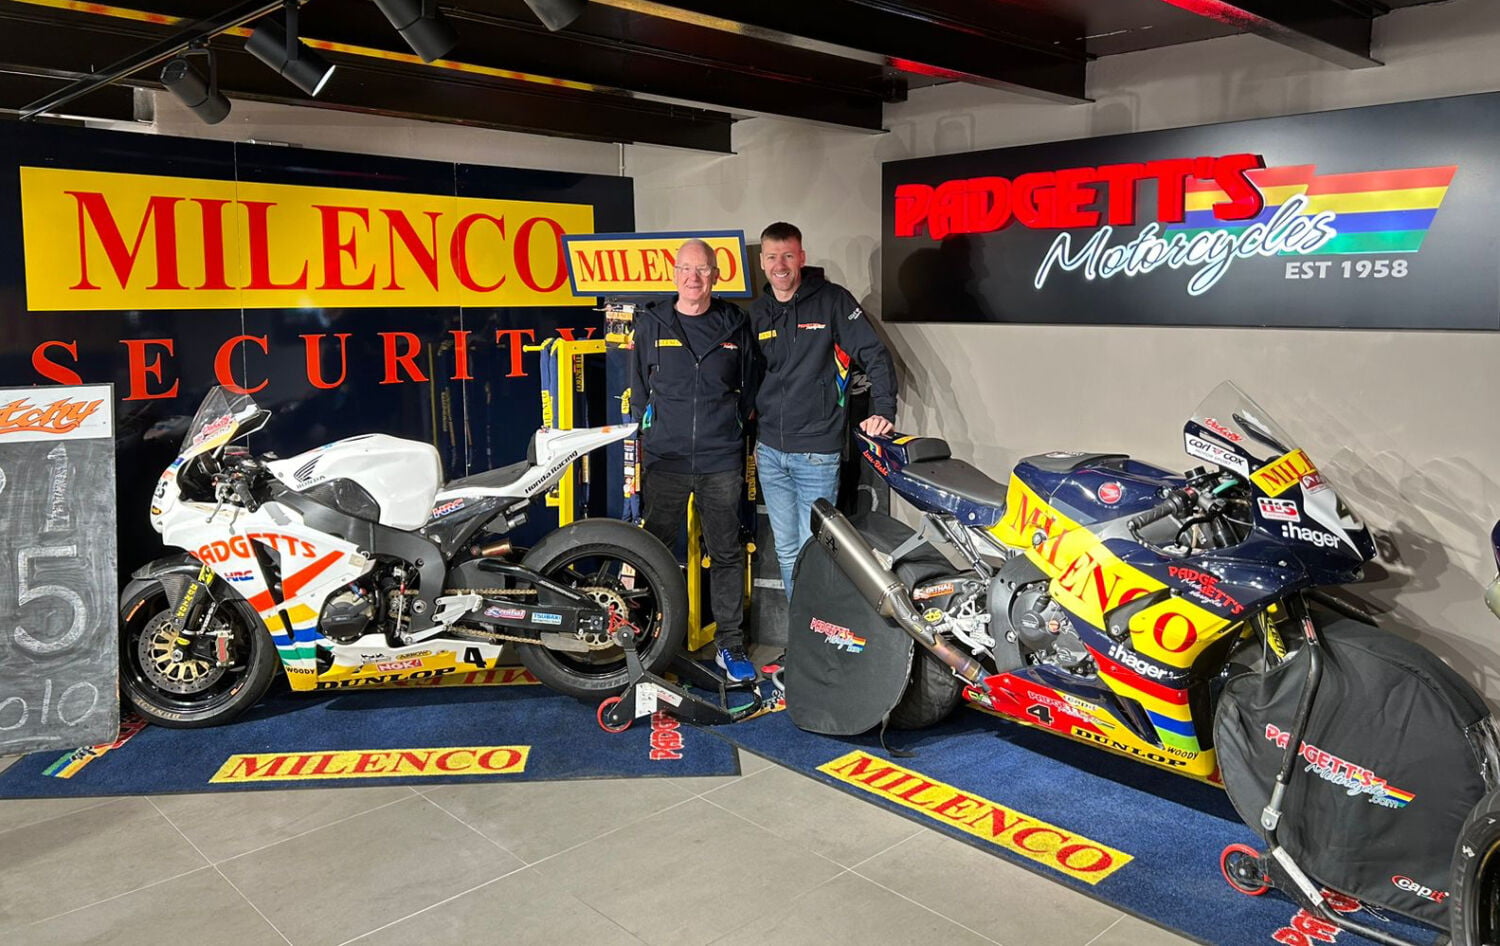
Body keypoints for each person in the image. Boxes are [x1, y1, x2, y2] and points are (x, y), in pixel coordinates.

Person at [628, 239, 758, 682]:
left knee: (725, 553)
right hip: (666, 457)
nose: (693, 278)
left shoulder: (735, 324)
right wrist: (654, 431)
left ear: (716, 275)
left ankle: (730, 645)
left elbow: (749, 389)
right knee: (657, 553)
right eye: (686, 269)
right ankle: (650, 638)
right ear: (674, 273)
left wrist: (731, 427)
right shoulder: (651, 323)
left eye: (702, 270)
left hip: (721, 458)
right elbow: (638, 387)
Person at [751, 222, 897, 600]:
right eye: (772, 257)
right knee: (785, 551)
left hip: (816, 453)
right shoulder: (759, 313)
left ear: (801, 257)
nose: (780, 265)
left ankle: (819, 637)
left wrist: (884, 408)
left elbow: (875, 355)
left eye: (787, 255)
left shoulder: (832, 300)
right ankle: (801, 641)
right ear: (762, 261)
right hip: (769, 453)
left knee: (815, 551)